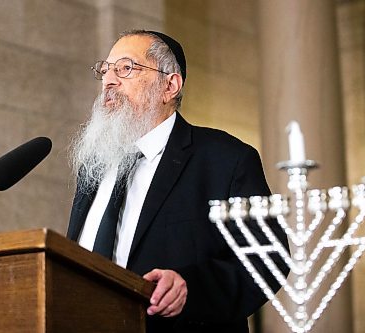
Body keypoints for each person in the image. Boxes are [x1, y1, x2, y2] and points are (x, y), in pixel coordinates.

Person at [67, 29, 288, 332]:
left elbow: (268, 258)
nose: (109, 80)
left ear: (170, 85)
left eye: (126, 68)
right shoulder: (94, 166)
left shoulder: (224, 159)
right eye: (105, 70)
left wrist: (190, 289)